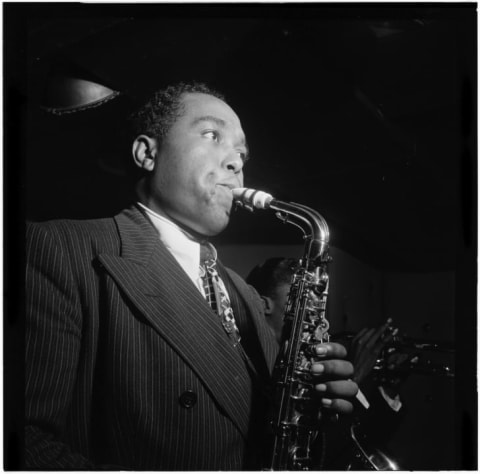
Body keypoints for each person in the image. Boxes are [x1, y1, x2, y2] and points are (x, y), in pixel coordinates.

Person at [25, 82, 357, 470]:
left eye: (241, 152)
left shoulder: (244, 294)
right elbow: (24, 443)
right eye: (212, 135)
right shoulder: (60, 248)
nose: (236, 163)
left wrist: (315, 407)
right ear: (147, 153)